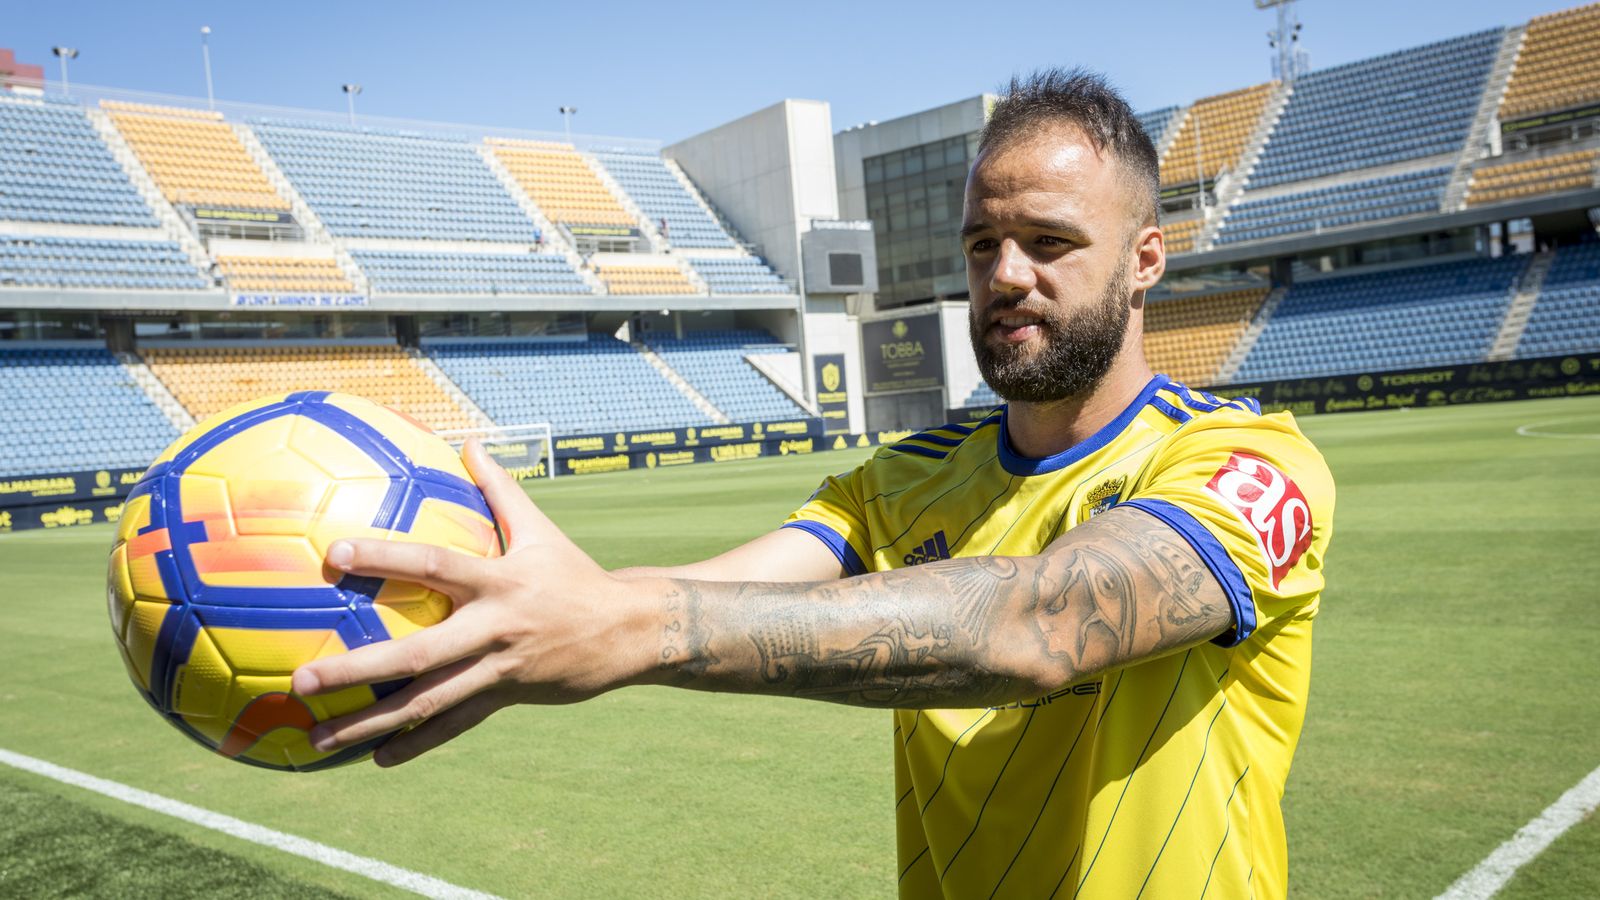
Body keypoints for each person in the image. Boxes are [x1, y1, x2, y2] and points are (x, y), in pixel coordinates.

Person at [294, 68, 1334, 899]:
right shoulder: (902, 481)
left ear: (1145, 259)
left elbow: (1036, 628)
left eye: (1051, 242)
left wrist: (630, 627)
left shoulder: (1243, 466)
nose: (1006, 274)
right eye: (982, 245)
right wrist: (538, 618)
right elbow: (717, 589)